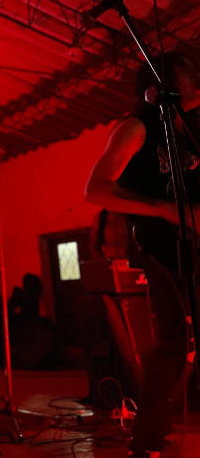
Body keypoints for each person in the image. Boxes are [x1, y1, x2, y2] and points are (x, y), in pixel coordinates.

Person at [85, 50, 200, 458]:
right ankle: (147, 442)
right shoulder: (136, 128)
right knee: (171, 348)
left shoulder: (188, 128)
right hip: (163, 249)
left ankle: (150, 439)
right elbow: (96, 190)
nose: (196, 79)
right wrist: (164, 210)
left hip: (192, 245)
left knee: (173, 349)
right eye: (188, 74)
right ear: (160, 87)